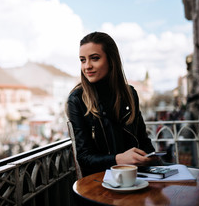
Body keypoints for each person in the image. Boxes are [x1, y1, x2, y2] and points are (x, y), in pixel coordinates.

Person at [66, 32, 160, 177]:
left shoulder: (130, 94)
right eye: (82, 60)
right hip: (100, 181)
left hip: (138, 177)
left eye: (95, 58)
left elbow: (143, 140)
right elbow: (84, 158)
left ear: (111, 60)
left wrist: (149, 157)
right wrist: (119, 159)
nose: (87, 66)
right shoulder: (77, 99)